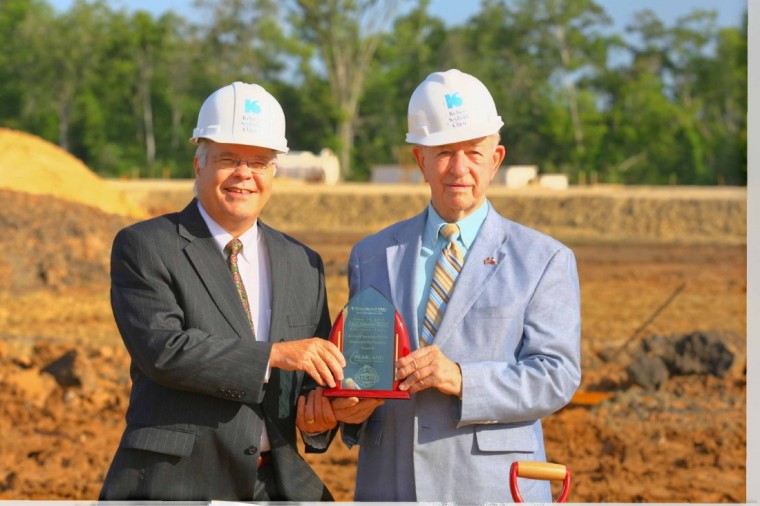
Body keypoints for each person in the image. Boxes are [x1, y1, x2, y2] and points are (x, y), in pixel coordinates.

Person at [332, 69, 582, 503]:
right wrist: (351, 410)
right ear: (419, 161)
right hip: (391, 484)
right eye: (444, 152)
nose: (459, 168)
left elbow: (556, 376)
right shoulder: (370, 256)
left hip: (492, 487)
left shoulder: (545, 260)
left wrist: (462, 378)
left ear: (496, 158)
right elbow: (363, 372)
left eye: (473, 152)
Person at [99, 82, 345, 501]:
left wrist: (323, 417)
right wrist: (274, 355)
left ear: (275, 171)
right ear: (199, 162)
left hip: (276, 486)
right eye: (229, 159)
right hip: (176, 483)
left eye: (260, 162)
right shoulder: (146, 245)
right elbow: (164, 351)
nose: (244, 175)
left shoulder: (303, 263)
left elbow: (308, 382)